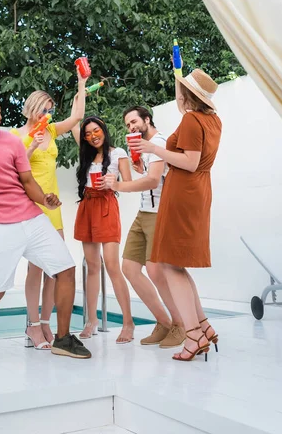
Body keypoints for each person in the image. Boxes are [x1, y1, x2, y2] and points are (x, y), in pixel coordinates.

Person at [0, 93, 91, 361]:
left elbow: (27, 181)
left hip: (32, 218)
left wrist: (44, 200)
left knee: (66, 270)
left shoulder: (12, 142)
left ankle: (62, 338)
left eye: (0, 110)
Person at [128, 69, 222, 362]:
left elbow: (190, 162)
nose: (176, 93)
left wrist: (152, 148)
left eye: (180, 89)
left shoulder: (192, 119)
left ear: (187, 95)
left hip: (185, 191)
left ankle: (193, 334)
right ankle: (203, 326)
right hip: (196, 191)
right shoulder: (213, 119)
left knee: (170, 265)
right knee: (178, 266)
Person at [10, 72, 87, 349]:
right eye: (46, 109)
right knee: (35, 268)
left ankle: (46, 323)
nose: (49, 114)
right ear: (33, 108)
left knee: (57, 268)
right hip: (30, 204)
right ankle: (31, 327)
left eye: (51, 110)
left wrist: (81, 82)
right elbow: (15, 168)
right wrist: (31, 144)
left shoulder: (52, 131)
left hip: (52, 206)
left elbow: (77, 116)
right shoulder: (15, 136)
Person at [104, 106, 185, 348]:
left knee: (155, 272)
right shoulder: (145, 146)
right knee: (129, 268)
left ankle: (180, 326)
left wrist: (118, 185)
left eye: (134, 122)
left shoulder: (158, 142)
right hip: (144, 212)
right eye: (128, 125)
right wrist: (139, 166)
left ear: (147, 119)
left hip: (160, 213)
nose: (131, 127)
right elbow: (150, 175)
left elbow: (152, 180)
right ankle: (164, 322)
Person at [72, 116, 135, 344]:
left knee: (112, 266)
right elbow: (73, 120)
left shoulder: (118, 153)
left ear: (104, 130)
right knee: (92, 267)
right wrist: (80, 86)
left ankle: (128, 323)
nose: (92, 136)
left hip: (107, 205)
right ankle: (91, 321)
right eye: (87, 134)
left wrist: (114, 182)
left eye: (96, 130)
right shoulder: (86, 154)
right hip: (88, 205)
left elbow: (129, 183)